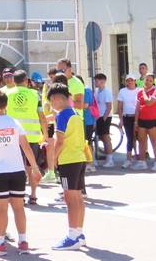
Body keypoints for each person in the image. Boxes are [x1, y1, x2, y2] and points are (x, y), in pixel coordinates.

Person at [0, 89, 42, 255]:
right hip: (18, 170)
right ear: (6, 105)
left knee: (1, 209)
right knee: (19, 207)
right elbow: (26, 147)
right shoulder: (14, 122)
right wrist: (34, 167)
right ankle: (23, 241)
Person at [48, 83, 88, 250]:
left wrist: (53, 159)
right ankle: (78, 232)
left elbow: (60, 141)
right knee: (77, 197)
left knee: (70, 199)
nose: (51, 104)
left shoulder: (62, 115)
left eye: (51, 100)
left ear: (57, 98)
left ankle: (72, 236)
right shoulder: (75, 113)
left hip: (68, 160)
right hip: (79, 158)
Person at [6, 69, 47, 204]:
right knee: (32, 167)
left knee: (19, 167)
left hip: (14, 137)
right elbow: (41, 116)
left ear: (13, 80)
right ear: (26, 81)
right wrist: (45, 134)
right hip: (33, 137)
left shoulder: (6, 94)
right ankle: (33, 194)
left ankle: (20, 195)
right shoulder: (35, 95)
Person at [135, 74, 156, 171]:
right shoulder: (139, 92)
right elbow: (138, 107)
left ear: (153, 82)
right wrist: (136, 121)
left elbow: (148, 102)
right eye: (146, 80)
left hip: (153, 119)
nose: (148, 82)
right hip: (142, 119)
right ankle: (141, 162)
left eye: (150, 80)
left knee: (154, 140)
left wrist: (143, 92)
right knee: (141, 140)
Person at [117, 74, 140, 169]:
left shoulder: (139, 90)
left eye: (131, 80)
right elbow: (120, 106)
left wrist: (137, 120)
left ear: (135, 81)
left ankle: (140, 157)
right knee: (130, 137)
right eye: (128, 80)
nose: (130, 82)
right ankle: (128, 159)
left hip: (138, 117)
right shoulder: (122, 91)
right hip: (127, 117)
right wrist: (121, 119)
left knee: (140, 137)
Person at [93, 74, 115, 167]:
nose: (95, 83)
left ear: (102, 81)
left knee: (105, 138)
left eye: (97, 81)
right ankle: (106, 157)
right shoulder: (97, 91)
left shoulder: (107, 92)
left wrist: (104, 119)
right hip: (98, 117)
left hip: (104, 117)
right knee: (101, 137)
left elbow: (109, 107)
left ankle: (110, 160)